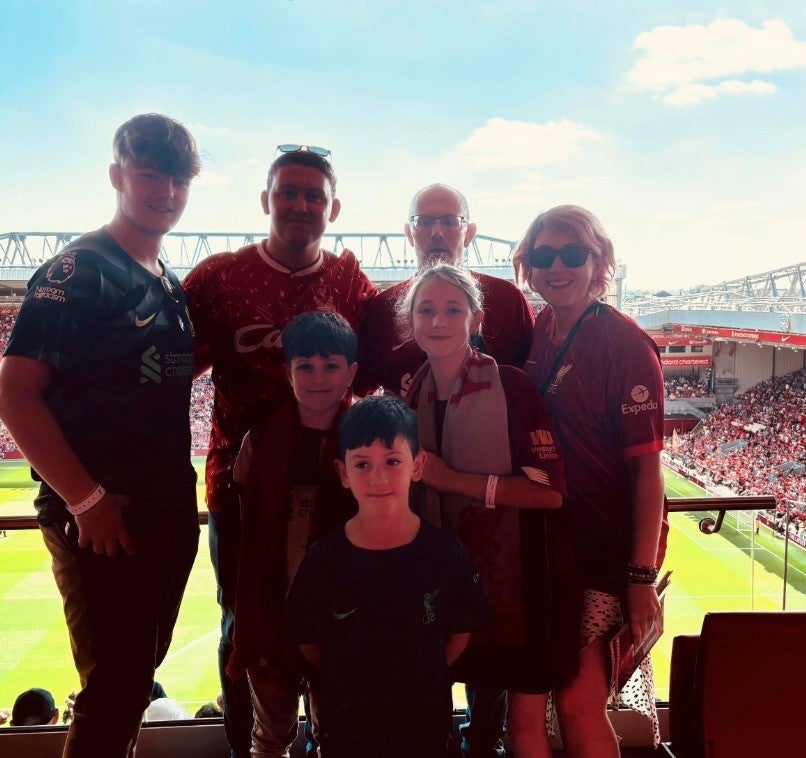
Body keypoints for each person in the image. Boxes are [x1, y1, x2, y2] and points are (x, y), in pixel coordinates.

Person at [0, 113, 201, 757]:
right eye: (150, 174)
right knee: (113, 688)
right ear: (117, 176)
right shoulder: (77, 271)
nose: (166, 190)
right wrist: (86, 499)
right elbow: (12, 392)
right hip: (103, 518)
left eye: (179, 178)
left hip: (164, 512)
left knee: (130, 683)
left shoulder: (166, 280)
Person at [183, 145, 376, 757]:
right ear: (265, 200)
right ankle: (249, 747)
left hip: (332, 485)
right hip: (240, 486)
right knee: (242, 620)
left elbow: (375, 377)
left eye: (313, 195)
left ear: (333, 208)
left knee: (340, 619)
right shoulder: (217, 278)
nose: (299, 204)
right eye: (287, 192)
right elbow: (169, 372)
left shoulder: (350, 281)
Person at [398, 264, 579, 758]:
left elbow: (549, 492)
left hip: (512, 583)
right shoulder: (408, 394)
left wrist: (454, 481)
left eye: (453, 310)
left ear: (475, 318)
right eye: (426, 310)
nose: (438, 321)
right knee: (429, 720)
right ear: (410, 320)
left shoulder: (512, 387)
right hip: (432, 580)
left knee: (503, 728)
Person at [514, 205, 667, 754]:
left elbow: (648, 469)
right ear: (527, 265)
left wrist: (639, 574)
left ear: (598, 262)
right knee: (541, 703)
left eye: (572, 253)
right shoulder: (538, 332)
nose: (557, 266)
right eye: (543, 254)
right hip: (550, 548)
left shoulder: (624, 342)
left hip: (606, 552)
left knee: (579, 702)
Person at [285, 395, 489, 758]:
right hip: (346, 729)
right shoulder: (325, 558)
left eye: (392, 461)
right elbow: (308, 641)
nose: (378, 477)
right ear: (343, 473)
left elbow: (461, 631)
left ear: (417, 465)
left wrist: (421, 673)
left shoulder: (443, 552)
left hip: (423, 727)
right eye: (362, 464)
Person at [231, 311, 360, 757]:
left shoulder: (368, 438)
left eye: (331, 366)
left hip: (344, 617)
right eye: (305, 365)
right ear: (288, 372)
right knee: (269, 738)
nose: (318, 377)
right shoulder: (261, 439)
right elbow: (246, 534)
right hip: (271, 610)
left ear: (352, 373)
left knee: (340, 735)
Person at [356, 183, 534, 399]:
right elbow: (360, 388)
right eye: (424, 222)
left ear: (469, 234)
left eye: (450, 222)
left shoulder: (507, 298)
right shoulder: (383, 307)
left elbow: (534, 381)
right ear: (409, 234)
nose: (437, 232)